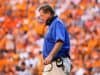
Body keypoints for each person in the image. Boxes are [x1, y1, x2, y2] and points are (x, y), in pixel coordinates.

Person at [38, 4, 71, 75]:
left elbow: (60, 41)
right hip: (53, 64)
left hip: (57, 62)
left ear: (49, 13)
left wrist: (51, 55)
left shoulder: (57, 23)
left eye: (42, 15)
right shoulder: (52, 25)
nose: (41, 18)